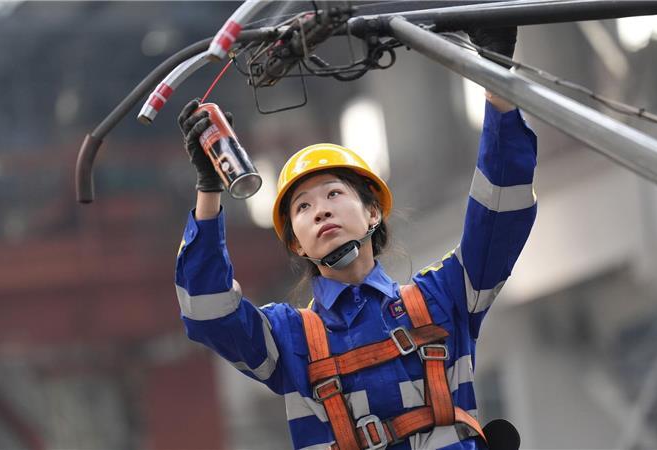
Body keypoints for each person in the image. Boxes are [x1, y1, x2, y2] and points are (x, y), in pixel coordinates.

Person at [175, 28, 536, 450]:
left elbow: (501, 212)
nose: (321, 210)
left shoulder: (446, 297)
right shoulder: (287, 340)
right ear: (297, 243)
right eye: (303, 208)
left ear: (372, 213)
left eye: (333, 194)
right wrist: (208, 188)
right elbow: (206, 312)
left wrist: (496, 78)